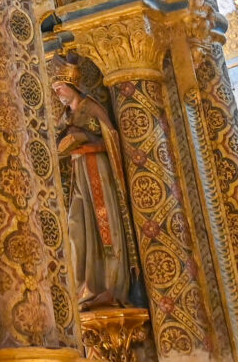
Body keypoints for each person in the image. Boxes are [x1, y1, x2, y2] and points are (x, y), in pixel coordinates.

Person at [53, 55, 132, 308]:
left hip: (97, 169)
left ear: (71, 86)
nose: (58, 95)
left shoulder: (91, 107)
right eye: (55, 91)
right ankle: (83, 287)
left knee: (104, 227)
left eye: (60, 89)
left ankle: (110, 285)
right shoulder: (64, 116)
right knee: (76, 226)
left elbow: (112, 139)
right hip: (78, 171)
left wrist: (85, 139)